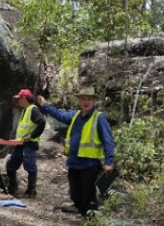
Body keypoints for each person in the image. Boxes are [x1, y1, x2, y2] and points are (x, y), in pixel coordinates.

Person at [37, 86, 115, 217]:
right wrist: (45, 105)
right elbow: (59, 115)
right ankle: (82, 213)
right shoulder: (76, 115)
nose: (86, 102)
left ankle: (91, 224)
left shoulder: (99, 118)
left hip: (90, 164)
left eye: (89, 99)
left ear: (93, 101)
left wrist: (108, 162)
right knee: (75, 193)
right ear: (80, 101)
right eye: (83, 99)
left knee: (89, 195)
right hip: (74, 162)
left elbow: (108, 140)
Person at [6, 89, 46, 197]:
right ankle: (12, 188)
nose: (18, 101)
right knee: (10, 165)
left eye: (19, 99)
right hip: (20, 145)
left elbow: (42, 122)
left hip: (29, 145)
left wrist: (32, 136)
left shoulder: (33, 109)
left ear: (24, 98)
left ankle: (31, 191)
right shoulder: (25, 110)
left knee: (30, 167)